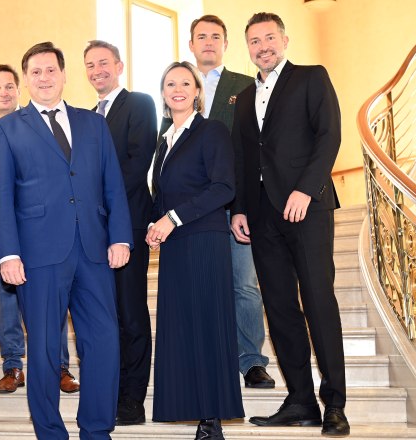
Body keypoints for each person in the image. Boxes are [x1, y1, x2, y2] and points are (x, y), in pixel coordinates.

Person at [0, 41, 132, 439]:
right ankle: (50, 433)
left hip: (93, 250)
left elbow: (113, 184)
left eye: (51, 70)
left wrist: (120, 236)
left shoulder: (94, 124)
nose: (44, 78)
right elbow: (1, 196)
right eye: (35, 72)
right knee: (45, 348)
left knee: (104, 341)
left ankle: (97, 430)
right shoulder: (7, 129)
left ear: (64, 74)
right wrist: (8, 254)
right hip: (38, 255)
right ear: (26, 79)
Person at [230, 12, 349, 437]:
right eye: (254, 41)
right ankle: (300, 400)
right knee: (280, 308)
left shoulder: (311, 77)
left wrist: (306, 189)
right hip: (262, 216)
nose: (262, 46)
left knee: (318, 301)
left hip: (307, 208)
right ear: (248, 48)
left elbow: (329, 135)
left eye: (269, 38)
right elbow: (243, 157)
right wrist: (239, 209)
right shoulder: (244, 98)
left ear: (284, 40)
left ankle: (334, 403)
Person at [148, 61, 244, 440]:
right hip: (174, 246)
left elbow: (224, 188)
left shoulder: (211, 131)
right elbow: (164, 194)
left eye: (185, 83)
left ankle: (212, 420)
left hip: (204, 240)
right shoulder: (165, 140)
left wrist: (172, 218)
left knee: (207, 325)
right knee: (181, 327)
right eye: (170, 84)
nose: (178, 89)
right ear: (163, 92)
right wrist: (155, 226)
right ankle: (190, 407)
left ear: (197, 92)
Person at [0, 64, 79, 396]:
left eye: (9, 86)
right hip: (2, 231)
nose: (4, 93)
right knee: (6, 299)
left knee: (52, 298)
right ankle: (12, 365)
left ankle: (59, 365)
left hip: (42, 230)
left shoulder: (37, 123)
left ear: (19, 89)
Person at [186, 14, 274, 388]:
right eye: (201, 36)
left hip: (236, 203)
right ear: (191, 44)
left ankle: (251, 360)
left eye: (215, 36)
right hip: (191, 207)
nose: (208, 42)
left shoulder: (246, 85)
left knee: (244, 284)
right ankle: (208, 357)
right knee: (200, 285)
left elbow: (254, 146)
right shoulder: (179, 84)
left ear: (225, 44)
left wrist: (246, 203)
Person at [83, 40, 156, 425]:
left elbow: (137, 163)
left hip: (127, 222)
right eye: (90, 65)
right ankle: (109, 390)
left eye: (104, 63)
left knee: (130, 313)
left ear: (119, 66)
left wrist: (94, 198)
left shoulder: (140, 104)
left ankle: (133, 398)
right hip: (91, 231)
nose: (97, 70)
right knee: (103, 315)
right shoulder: (85, 117)